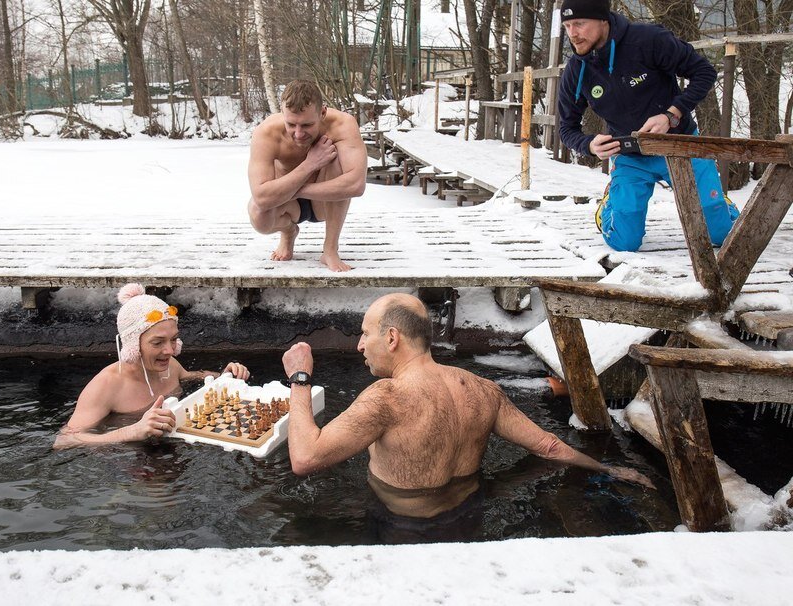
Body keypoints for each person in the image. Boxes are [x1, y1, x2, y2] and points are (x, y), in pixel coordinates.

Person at [281, 293, 653, 528]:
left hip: (402, 524)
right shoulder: (481, 388)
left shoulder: (387, 397)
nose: (360, 345)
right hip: (468, 516)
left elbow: (305, 458)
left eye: (366, 334)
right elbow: (550, 448)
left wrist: (300, 378)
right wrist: (609, 468)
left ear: (392, 338)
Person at [556, 0, 738, 252]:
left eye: (579, 24)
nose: (573, 34)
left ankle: (718, 204)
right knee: (624, 242)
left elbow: (704, 72)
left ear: (603, 20)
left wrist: (671, 115)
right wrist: (588, 145)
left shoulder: (647, 40)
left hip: (680, 145)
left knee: (720, 234)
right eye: (567, 26)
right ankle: (612, 202)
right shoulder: (576, 71)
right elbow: (566, 128)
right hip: (631, 156)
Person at [54, 283, 250, 448]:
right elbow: (64, 440)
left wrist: (224, 376)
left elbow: (192, 376)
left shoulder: (170, 364)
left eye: (174, 340)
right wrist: (131, 431)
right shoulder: (106, 385)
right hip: (129, 465)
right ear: (132, 345)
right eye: (157, 343)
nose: (170, 351)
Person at [247, 79, 367, 272]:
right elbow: (261, 197)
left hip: (325, 202)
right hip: (288, 205)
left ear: (323, 113)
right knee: (259, 216)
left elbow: (356, 185)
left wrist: (295, 190)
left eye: (307, 125)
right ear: (282, 113)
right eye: (291, 124)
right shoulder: (267, 133)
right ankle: (288, 232)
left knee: (335, 158)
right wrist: (310, 164)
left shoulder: (343, 124)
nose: (298, 133)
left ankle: (330, 249)